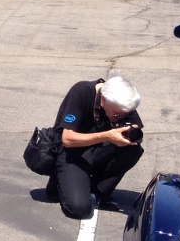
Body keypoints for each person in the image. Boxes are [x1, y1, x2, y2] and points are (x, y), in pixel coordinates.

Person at [48, 74, 144, 218]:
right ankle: (60, 182)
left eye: (125, 115)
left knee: (133, 149)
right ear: (103, 100)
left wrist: (131, 133)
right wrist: (108, 136)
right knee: (79, 209)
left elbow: (136, 133)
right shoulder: (82, 92)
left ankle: (99, 190)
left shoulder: (121, 103)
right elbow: (67, 139)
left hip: (96, 150)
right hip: (71, 153)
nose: (120, 118)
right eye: (116, 115)